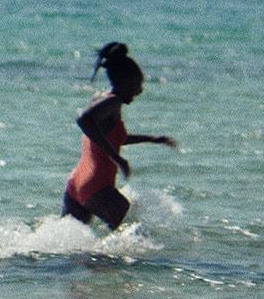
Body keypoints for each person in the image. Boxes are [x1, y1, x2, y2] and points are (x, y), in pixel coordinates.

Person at [62, 42, 178, 230]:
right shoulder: (113, 101)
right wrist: (116, 157)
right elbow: (83, 120)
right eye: (138, 84)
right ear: (125, 81)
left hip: (76, 182)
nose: (139, 91)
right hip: (96, 184)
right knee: (125, 237)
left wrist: (151, 138)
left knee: (70, 248)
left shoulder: (101, 98)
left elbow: (110, 138)